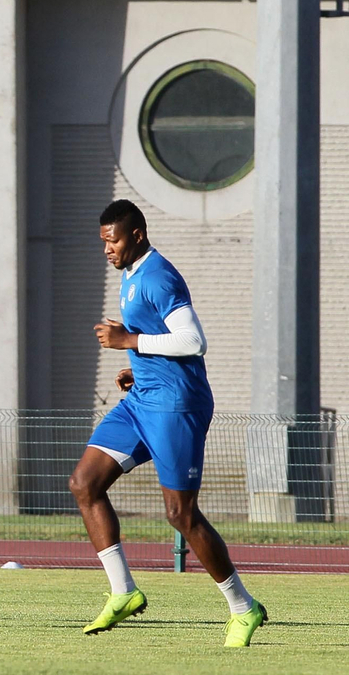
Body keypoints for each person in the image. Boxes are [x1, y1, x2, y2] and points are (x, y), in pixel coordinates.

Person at [70, 200, 265, 647]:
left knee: (180, 514)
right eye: (103, 241)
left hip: (176, 406)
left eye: (113, 240)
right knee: (84, 483)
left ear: (136, 235)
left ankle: (243, 607)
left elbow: (194, 340)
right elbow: (162, 340)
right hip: (143, 398)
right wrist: (138, 366)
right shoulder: (130, 274)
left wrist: (128, 340)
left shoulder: (158, 275)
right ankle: (123, 592)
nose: (107, 249)